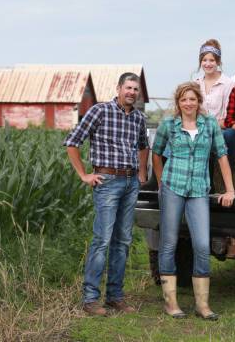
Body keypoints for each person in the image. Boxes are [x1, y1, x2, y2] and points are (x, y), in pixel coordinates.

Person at [63, 72, 149, 317]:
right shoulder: (100, 111)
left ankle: (115, 296)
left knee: (122, 242)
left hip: (131, 182)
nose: (132, 92)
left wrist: (142, 172)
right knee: (102, 240)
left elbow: (143, 146)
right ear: (119, 88)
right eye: (128, 87)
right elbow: (72, 142)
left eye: (135, 89)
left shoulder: (139, 118)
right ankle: (90, 299)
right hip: (107, 181)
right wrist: (84, 174)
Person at [152, 82, 235, 320]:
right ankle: (171, 302)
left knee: (201, 244)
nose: (188, 103)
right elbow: (156, 152)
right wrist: (161, 183)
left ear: (199, 101)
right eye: (184, 100)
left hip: (199, 189)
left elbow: (222, 155)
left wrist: (230, 190)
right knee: (169, 243)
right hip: (172, 186)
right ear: (178, 103)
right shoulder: (169, 124)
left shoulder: (209, 125)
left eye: (192, 99)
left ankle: (202, 305)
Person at [194, 39, 235, 128]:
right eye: (204, 60)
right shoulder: (195, 84)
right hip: (199, 131)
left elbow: (229, 119)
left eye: (212, 60)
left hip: (221, 131)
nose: (207, 64)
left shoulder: (228, 84)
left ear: (218, 62)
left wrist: (207, 125)